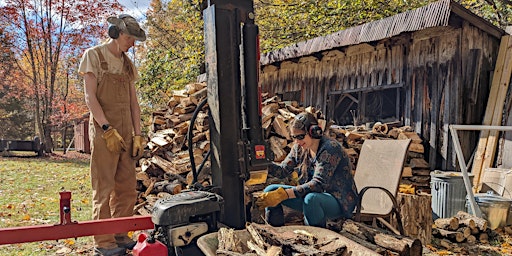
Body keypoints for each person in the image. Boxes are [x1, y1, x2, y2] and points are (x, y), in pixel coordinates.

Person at [78, 14, 146, 256]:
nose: (133, 43)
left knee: (127, 185)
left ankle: (120, 233)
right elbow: (90, 97)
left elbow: (133, 103)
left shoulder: (127, 64)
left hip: (126, 130)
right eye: (130, 38)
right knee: (104, 186)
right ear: (115, 34)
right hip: (103, 130)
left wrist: (138, 134)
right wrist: (106, 128)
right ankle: (104, 241)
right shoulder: (93, 56)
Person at [255, 112, 359, 228]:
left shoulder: (331, 149)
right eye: (294, 137)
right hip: (312, 196)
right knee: (271, 190)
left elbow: (318, 184)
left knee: (312, 199)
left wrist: (284, 194)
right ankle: (275, 231)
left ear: (314, 132)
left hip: (338, 200)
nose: (297, 141)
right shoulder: (299, 148)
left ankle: (317, 239)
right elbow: (283, 171)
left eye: (300, 137)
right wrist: (261, 164)